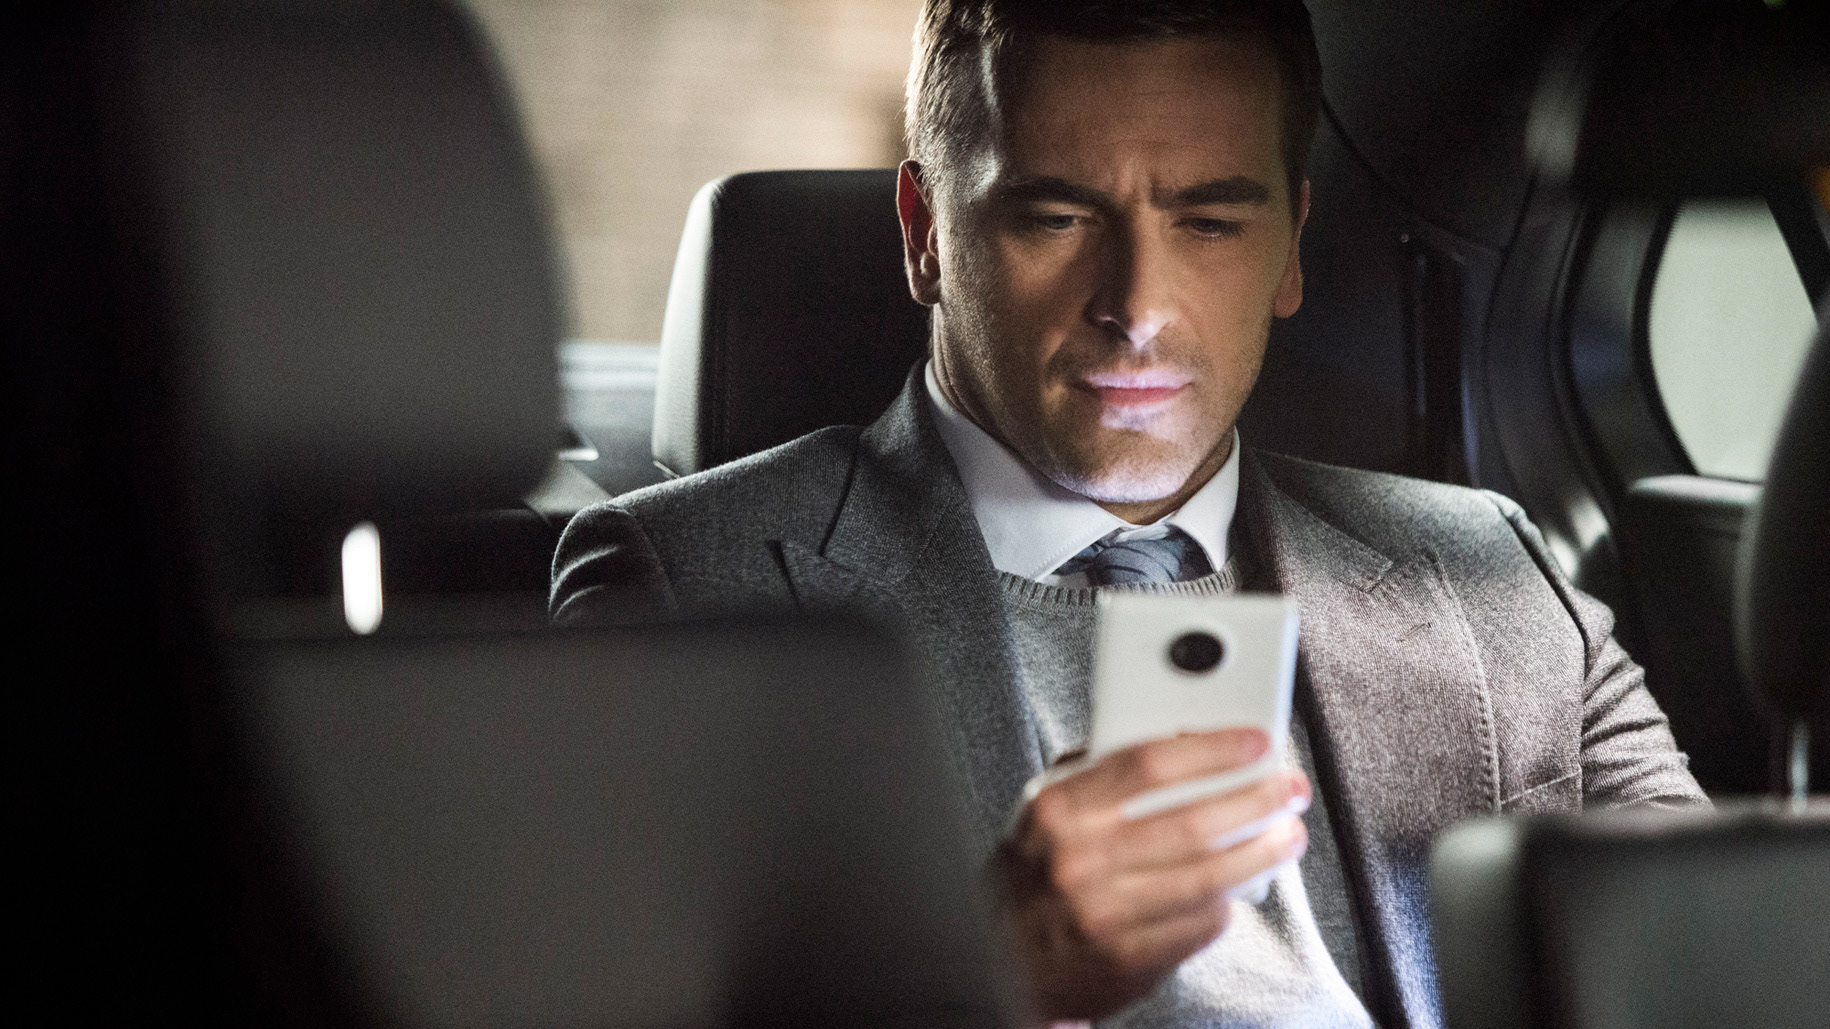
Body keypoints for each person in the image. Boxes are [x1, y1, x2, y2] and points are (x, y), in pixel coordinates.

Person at [551, 1, 1706, 1025]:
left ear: (1290, 249)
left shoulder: (1489, 573)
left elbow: (1715, 970)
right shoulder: (685, 589)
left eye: (1210, 223)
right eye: (1056, 218)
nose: (1138, 306)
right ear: (925, 234)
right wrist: (991, 980)